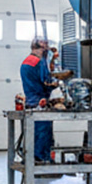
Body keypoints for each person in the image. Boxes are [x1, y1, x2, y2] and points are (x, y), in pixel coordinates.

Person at [19, 36, 71, 164]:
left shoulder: (27, 61)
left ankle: (32, 157)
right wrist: (59, 82)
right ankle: (41, 159)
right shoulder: (39, 61)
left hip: (31, 102)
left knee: (34, 133)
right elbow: (47, 81)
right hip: (40, 102)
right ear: (42, 49)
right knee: (43, 132)